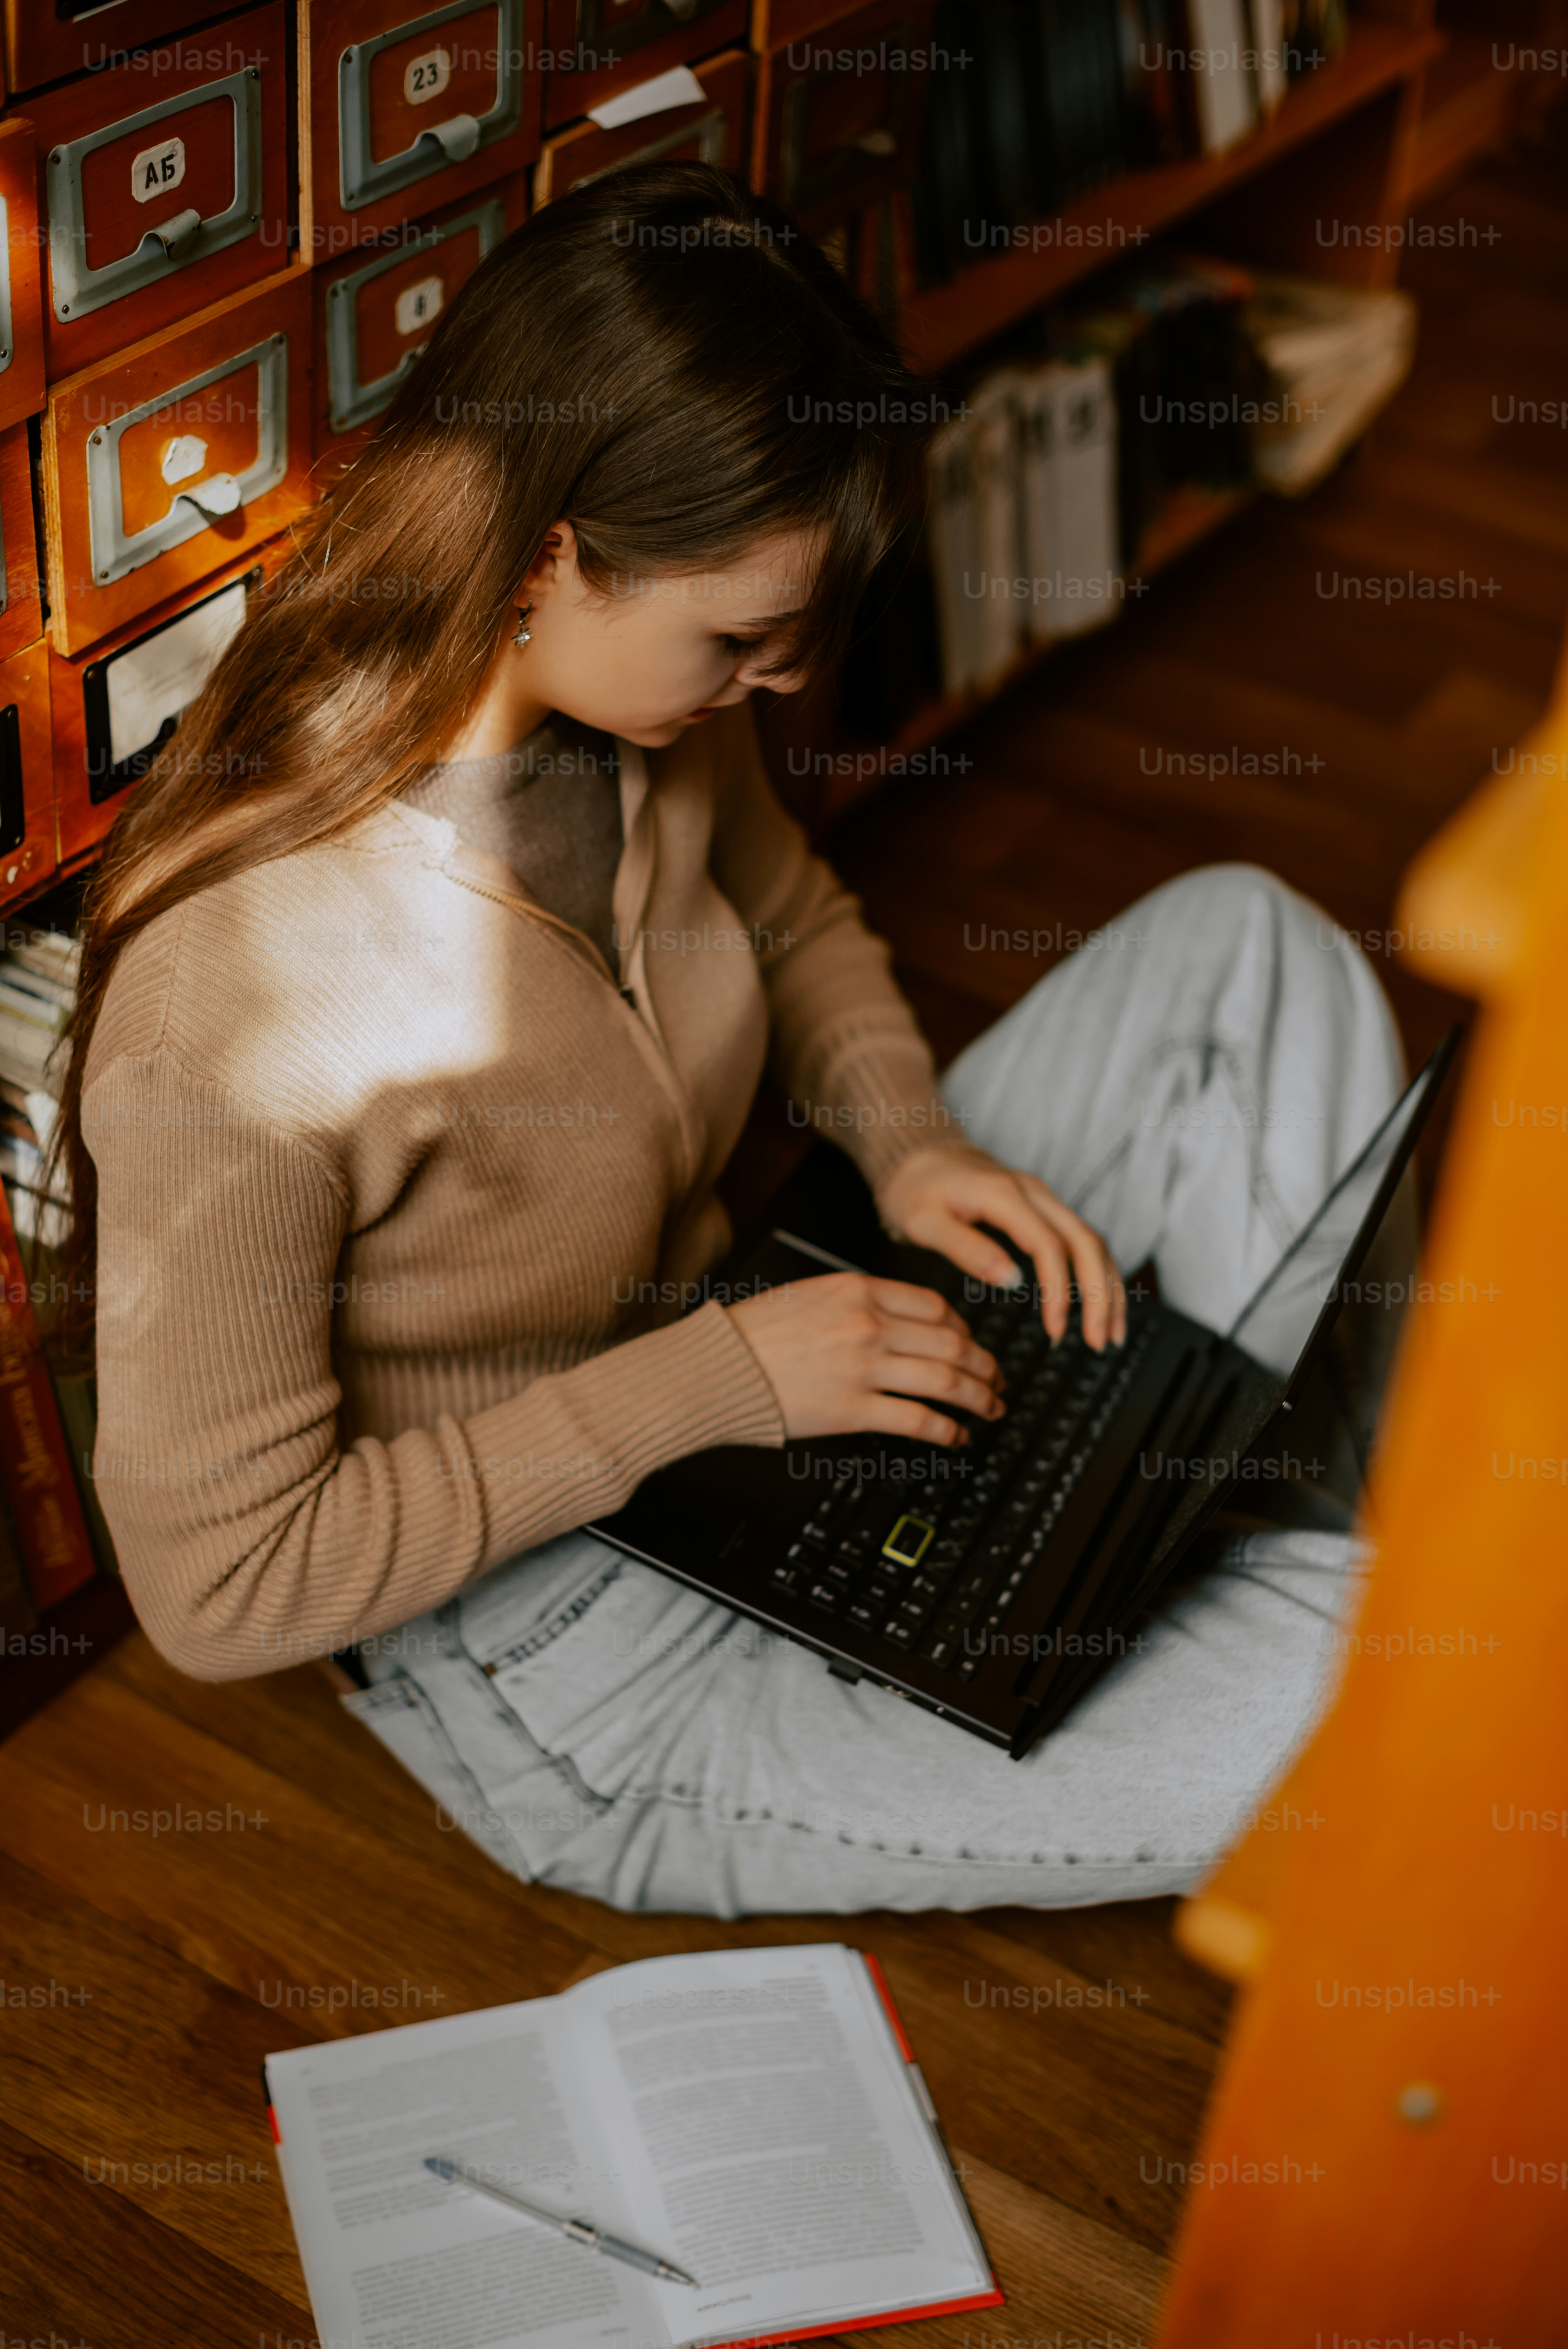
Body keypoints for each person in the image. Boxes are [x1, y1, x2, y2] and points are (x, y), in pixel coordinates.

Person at [56, 165, 1402, 1919]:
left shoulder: (641, 720)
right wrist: (717, 1386)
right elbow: (224, 1588)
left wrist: (908, 1138)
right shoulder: (239, 999)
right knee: (1393, 1681)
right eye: (740, 636)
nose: (772, 685)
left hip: (765, 1362)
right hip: (558, 1642)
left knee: (1252, 941)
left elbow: (795, 920)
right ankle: (1172, 1545)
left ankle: (1135, 1507)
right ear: (547, 552)